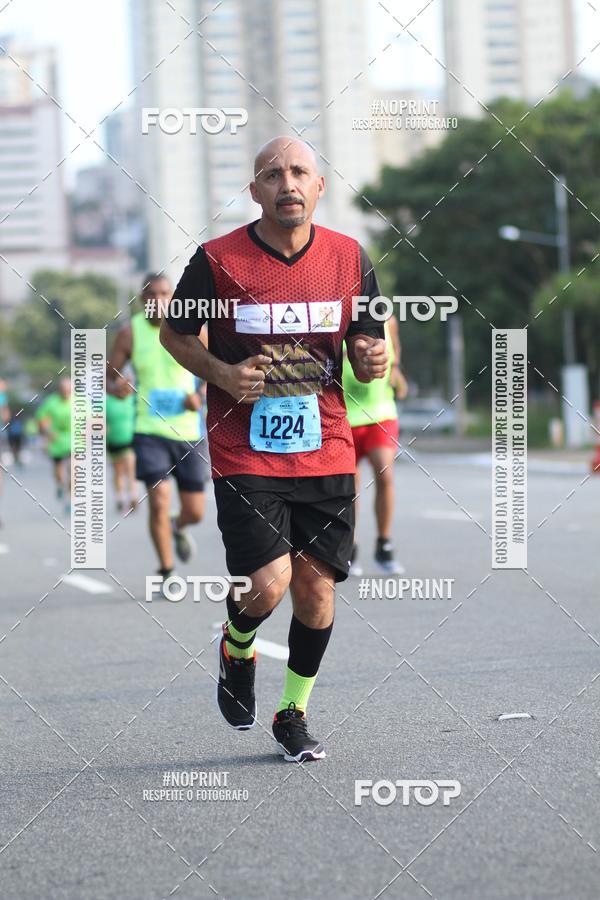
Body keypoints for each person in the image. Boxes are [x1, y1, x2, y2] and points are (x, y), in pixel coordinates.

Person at [160, 136, 388, 762]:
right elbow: (174, 336)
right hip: (245, 447)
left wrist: (372, 357)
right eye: (272, 174)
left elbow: (367, 348)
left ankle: (293, 713)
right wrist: (223, 373)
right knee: (267, 585)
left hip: (326, 445)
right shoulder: (217, 260)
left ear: (319, 186)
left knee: (316, 590)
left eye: (299, 172)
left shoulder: (350, 258)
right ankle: (237, 644)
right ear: (255, 190)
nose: (287, 183)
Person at [107, 275, 208, 589]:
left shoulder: (192, 327)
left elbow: (217, 368)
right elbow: (108, 378)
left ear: (174, 296)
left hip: (189, 431)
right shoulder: (129, 333)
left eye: (165, 293)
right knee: (159, 500)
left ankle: (178, 526)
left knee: (195, 511)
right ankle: (167, 571)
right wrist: (117, 388)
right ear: (141, 299)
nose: (158, 299)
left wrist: (200, 395)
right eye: (151, 294)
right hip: (149, 429)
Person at [343, 314, 407, 575]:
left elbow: (395, 348)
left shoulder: (388, 319)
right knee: (350, 486)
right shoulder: (336, 314)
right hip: (345, 414)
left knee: (385, 473)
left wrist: (396, 369)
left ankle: (384, 544)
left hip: (380, 412)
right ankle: (350, 547)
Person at [35, 378, 72, 513]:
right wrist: (47, 432)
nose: (66, 393)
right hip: (56, 441)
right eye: (63, 390)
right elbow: (41, 419)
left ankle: (70, 500)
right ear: (59, 390)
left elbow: (90, 419)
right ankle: (60, 485)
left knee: (74, 471)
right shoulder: (51, 402)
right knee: (59, 472)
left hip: (75, 441)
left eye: (68, 390)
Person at [105, 391, 138, 512]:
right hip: (113, 441)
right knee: (118, 472)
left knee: (130, 469)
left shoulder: (133, 400)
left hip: (129, 441)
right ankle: (120, 497)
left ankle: (133, 496)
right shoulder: (107, 403)